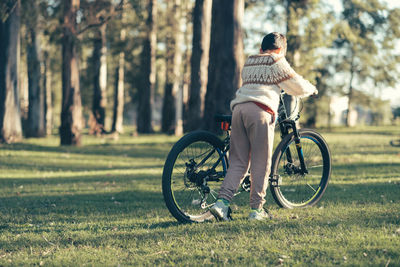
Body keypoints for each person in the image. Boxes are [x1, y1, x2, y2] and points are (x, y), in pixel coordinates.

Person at [210, 32, 318, 221]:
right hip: (260, 112)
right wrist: (312, 89)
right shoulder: (276, 60)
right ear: (281, 49)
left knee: (238, 162)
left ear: (261, 48)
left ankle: (221, 204)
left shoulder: (250, 61)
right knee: (261, 163)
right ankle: (256, 210)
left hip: (238, 110)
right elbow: (296, 85)